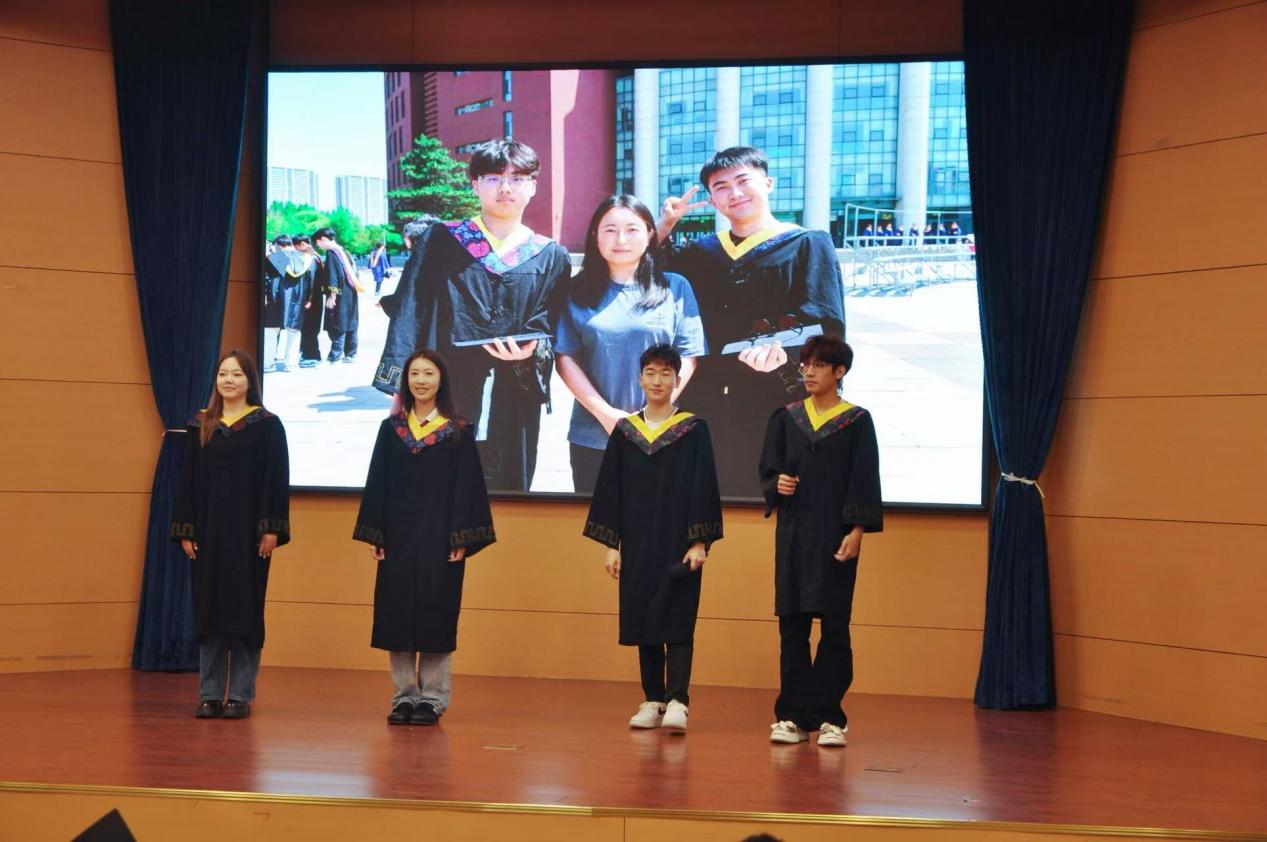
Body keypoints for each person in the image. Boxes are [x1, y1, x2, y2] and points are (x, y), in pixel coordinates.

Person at [373, 139, 572, 491]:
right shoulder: (441, 240)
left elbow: (556, 323)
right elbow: (410, 312)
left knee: (507, 491)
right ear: (475, 185)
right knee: (436, 490)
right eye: (493, 178)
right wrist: (400, 389)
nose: (505, 188)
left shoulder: (550, 255)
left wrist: (532, 350)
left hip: (514, 392)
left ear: (533, 186)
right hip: (445, 387)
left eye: (517, 178)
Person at [657, 146, 846, 500]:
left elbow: (828, 326)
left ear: (769, 183)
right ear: (713, 201)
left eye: (743, 181)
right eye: (721, 187)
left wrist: (788, 356)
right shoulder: (701, 253)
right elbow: (647, 274)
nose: (735, 193)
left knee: (778, 503)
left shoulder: (807, 244)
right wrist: (666, 224)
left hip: (779, 400)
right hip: (708, 404)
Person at [584, 345, 722, 733]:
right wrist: (613, 545)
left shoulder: (693, 429)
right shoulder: (626, 432)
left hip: (679, 541)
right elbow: (611, 489)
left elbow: (704, 486)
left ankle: (678, 700)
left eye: (665, 373)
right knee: (643, 618)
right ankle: (652, 699)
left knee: (677, 619)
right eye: (651, 373)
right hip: (638, 541)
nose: (658, 380)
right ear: (640, 379)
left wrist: (699, 541)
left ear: (677, 380)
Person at [354, 349, 496, 726]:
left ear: (441, 380)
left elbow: (469, 489)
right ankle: (403, 696)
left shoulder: (457, 432)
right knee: (397, 615)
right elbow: (378, 482)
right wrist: (376, 531)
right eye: (414, 373)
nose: (420, 380)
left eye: (428, 373)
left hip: (440, 539)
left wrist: (461, 538)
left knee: (436, 615)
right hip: (398, 538)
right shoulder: (392, 430)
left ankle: (432, 699)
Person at [758, 335, 882, 747]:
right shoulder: (786, 418)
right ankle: (792, 716)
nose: (808, 372)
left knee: (835, 628)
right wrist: (777, 484)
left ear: (839, 371)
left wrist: (857, 531)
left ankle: (830, 717)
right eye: (805, 365)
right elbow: (768, 469)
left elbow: (864, 479)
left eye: (818, 365)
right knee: (792, 628)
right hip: (794, 535)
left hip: (835, 536)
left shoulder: (856, 421)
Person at [555, 195, 707, 493]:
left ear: (650, 234)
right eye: (610, 230)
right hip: (594, 437)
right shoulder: (575, 291)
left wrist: (652, 413)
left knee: (661, 518)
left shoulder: (675, 287)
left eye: (632, 229)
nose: (621, 239)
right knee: (598, 519)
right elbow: (565, 359)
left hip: (662, 434)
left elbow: (688, 356)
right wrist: (608, 417)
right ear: (595, 236)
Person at [171, 349, 290, 720]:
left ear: (250, 380)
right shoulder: (201, 425)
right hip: (208, 535)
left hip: (249, 537)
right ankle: (209, 694)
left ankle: (239, 695)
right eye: (223, 373)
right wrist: (186, 529)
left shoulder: (267, 425)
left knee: (244, 613)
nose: (229, 380)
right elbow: (187, 481)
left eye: (237, 374)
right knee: (209, 614)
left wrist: (271, 528)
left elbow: (276, 480)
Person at [374, 214, 440, 395]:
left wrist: (387, 301)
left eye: (406, 236)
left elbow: (409, 295)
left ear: (413, 238)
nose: (404, 240)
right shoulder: (437, 258)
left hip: (418, 320)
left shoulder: (418, 260)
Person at [262, 234, 316, 372]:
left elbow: (264, 277)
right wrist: (308, 299)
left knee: (270, 330)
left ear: (279, 246)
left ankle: (267, 364)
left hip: (275, 299)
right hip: (296, 300)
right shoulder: (308, 259)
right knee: (293, 331)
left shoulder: (273, 257)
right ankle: (290, 364)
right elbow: (311, 282)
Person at [315, 226, 364, 364]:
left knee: (338, 322)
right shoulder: (344, 251)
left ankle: (334, 356)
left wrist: (332, 296)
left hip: (339, 293)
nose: (318, 245)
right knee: (350, 321)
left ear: (323, 239)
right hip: (351, 291)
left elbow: (333, 275)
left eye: (318, 242)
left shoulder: (332, 253)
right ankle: (351, 354)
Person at [294, 234, 326, 367]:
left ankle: (311, 356)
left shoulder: (311, 259)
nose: (296, 249)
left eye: (296, 246)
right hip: (315, 299)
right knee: (309, 328)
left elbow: (312, 281)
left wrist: (309, 300)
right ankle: (309, 354)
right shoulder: (315, 256)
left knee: (309, 328)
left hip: (312, 300)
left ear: (303, 244)